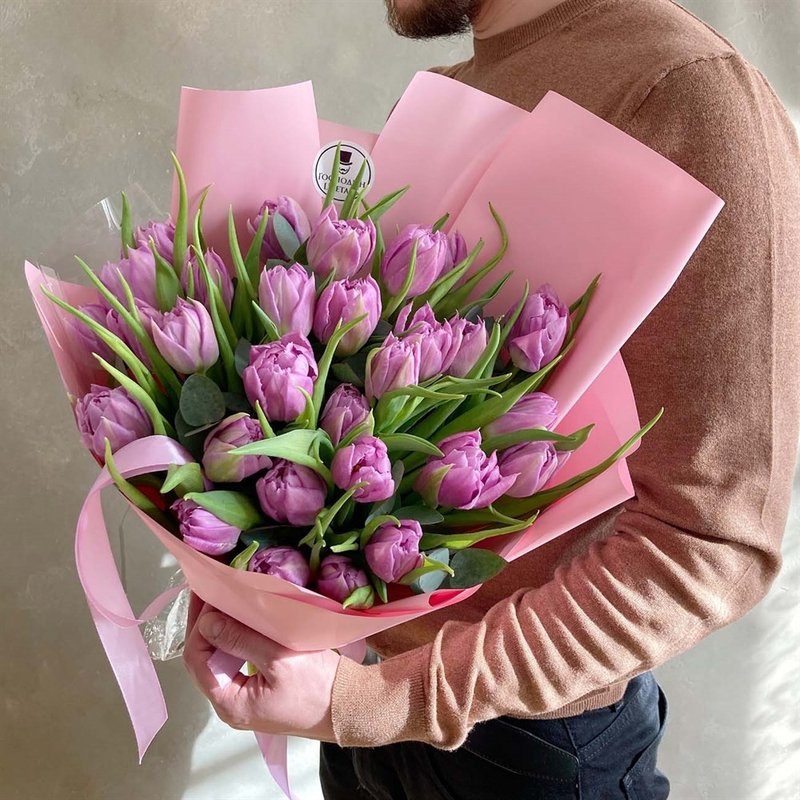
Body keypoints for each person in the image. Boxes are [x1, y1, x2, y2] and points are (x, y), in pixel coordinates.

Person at [182, 1, 800, 797]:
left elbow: (710, 540)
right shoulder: (451, 88)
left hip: (525, 748)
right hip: (362, 707)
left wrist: (384, 700)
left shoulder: (689, 92)